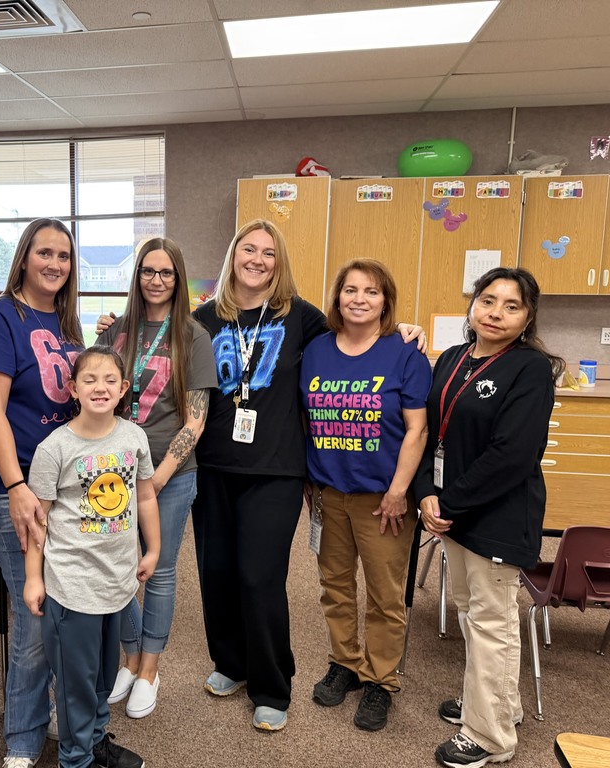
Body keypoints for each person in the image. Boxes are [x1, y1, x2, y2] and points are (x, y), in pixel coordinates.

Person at [191, 219, 424, 732]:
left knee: (260, 576)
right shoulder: (203, 319)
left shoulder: (302, 318)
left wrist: (405, 331)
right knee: (217, 575)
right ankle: (231, 663)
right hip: (211, 467)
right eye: (248, 249)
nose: (257, 259)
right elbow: (164, 361)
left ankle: (272, 685)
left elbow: (357, 338)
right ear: (233, 255)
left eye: (268, 253)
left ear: (280, 262)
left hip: (276, 469)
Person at [413, 267, 564, 768]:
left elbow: (512, 454)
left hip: (494, 516)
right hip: (452, 512)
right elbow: (430, 434)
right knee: (474, 615)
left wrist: (447, 504)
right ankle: (496, 705)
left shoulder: (530, 369)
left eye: (511, 305)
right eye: (488, 300)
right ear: (472, 306)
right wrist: (427, 497)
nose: (496, 312)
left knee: (492, 622)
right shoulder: (453, 359)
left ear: (528, 318)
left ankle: (490, 736)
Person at [0, 218, 85, 768]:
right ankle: (21, 739)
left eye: (64, 256)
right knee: (33, 611)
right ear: (23, 258)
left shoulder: (65, 321)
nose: (55, 264)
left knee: (64, 609)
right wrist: (15, 485)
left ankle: (58, 718)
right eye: (45, 253)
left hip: (68, 492)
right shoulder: (0, 318)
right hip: (17, 491)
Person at [300, 259, 431, 732]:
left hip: (384, 500)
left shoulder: (404, 353)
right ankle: (346, 663)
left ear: (385, 301)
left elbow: (417, 430)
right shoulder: (314, 351)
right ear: (336, 298)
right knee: (334, 587)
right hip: (328, 494)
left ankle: (381, 679)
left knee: (384, 594)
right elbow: (304, 419)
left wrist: (400, 492)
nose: (359, 298)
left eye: (371, 291)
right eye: (350, 290)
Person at [96, 237, 217, 719]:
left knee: (159, 570)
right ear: (137, 275)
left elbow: (196, 419)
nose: (157, 280)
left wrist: (159, 476)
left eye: (166, 272)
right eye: (148, 271)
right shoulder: (115, 331)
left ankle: (150, 667)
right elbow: (94, 390)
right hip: (111, 472)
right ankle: (128, 658)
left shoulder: (192, 336)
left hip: (171, 472)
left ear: (178, 279)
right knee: (119, 567)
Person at [25, 345, 161, 768]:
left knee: (103, 678)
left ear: (123, 389)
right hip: (73, 588)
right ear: (72, 389)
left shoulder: (133, 436)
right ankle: (76, 758)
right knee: (76, 686)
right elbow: (37, 521)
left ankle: (96, 741)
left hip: (116, 585)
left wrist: (153, 548)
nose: (100, 387)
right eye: (89, 379)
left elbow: (144, 496)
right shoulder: (55, 448)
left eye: (109, 381)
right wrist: (34, 577)